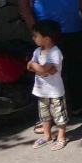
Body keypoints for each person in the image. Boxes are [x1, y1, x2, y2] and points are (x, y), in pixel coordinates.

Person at [28, 20, 69, 151]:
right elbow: (30, 66)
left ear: (46, 38)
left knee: (59, 115)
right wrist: (38, 67)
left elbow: (38, 68)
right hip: (41, 91)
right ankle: (47, 136)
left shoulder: (55, 52)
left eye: (36, 35)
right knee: (44, 115)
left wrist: (36, 66)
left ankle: (61, 137)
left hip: (54, 91)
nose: (33, 38)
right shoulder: (37, 51)